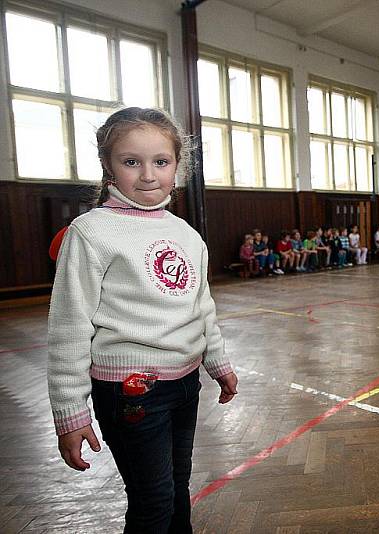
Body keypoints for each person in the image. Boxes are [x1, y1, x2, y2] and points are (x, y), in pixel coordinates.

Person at [47, 107, 239, 532]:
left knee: (177, 488)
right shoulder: (91, 231)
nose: (148, 174)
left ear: (177, 166)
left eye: (161, 161)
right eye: (131, 161)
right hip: (131, 391)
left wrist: (217, 362)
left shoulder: (186, 234)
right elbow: (68, 328)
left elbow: (202, 305)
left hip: (185, 385)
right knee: (153, 501)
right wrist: (70, 413)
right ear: (108, 167)